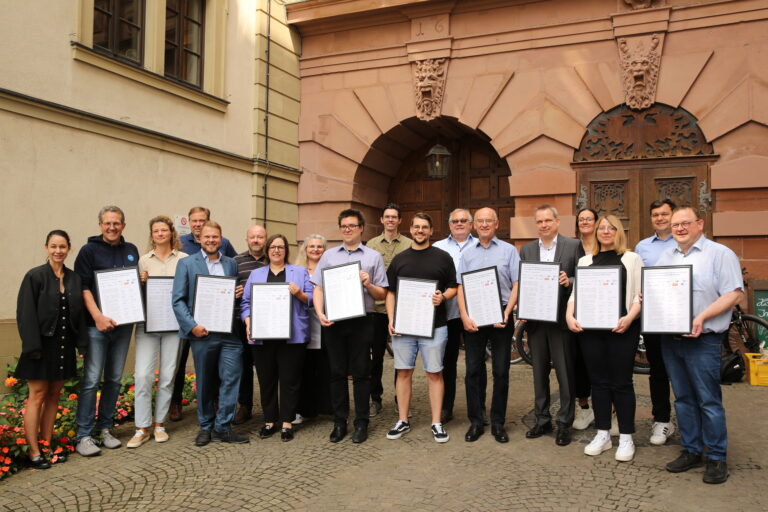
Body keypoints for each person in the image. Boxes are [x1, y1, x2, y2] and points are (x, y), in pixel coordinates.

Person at [657, 206, 743, 484]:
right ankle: (692, 449)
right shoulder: (666, 255)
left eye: (685, 223)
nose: (679, 229)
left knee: (708, 400)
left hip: (703, 340)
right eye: (675, 225)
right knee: (682, 398)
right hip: (671, 339)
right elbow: (656, 288)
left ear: (700, 224)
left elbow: (734, 293)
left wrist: (702, 316)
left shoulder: (720, 254)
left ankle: (717, 456)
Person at [566, 214, 643, 462]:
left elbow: (638, 296)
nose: (606, 231)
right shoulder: (586, 260)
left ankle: (627, 438)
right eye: (602, 228)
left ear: (618, 231)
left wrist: (630, 318)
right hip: (591, 331)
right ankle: (603, 434)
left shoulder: (632, 259)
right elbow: (575, 295)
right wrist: (570, 316)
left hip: (622, 328)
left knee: (621, 382)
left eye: (611, 228)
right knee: (598, 383)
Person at [313, 209, 388, 444]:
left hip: (362, 320)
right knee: (336, 373)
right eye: (343, 226)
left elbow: (382, 293)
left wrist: (368, 283)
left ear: (361, 228)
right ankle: (339, 421)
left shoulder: (373, 256)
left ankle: (361, 422)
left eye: (352, 226)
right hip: (335, 321)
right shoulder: (329, 256)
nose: (347, 229)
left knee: (361, 373)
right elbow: (318, 288)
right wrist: (320, 313)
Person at [15, 230, 89, 468]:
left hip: (64, 345)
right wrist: (32, 348)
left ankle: (47, 445)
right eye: (54, 246)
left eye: (63, 247)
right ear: (46, 247)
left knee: (54, 395)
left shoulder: (74, 278)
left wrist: (81, 344)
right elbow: (25, 315)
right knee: (36, 396)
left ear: (69, 249)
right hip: (39, 346)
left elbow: (79, 316)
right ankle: (34, 452)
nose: (58, 251)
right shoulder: (34, 276)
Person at [172, 221, 248, 446]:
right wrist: (192, 325)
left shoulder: (231, 264)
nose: (211, 240)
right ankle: (205, 426)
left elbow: (230, 295)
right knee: (205, 382)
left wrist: (237, 293)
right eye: (207, 237)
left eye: (215, 237)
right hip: (202, 333)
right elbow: (178, 300)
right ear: (200, 239)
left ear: (221, 239)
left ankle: (223, 426)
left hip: (229, 333)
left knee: (232, 378)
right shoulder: (186, 264)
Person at [385, 213, 457, 443]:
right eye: (416, 227)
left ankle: (436, 422)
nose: (420, 231)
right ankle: (403, 420)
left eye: (424, 227)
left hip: (435, 326)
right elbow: (391, 292)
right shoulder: (400, 259)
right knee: (403, 372)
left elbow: (454, 287)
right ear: (410, 229)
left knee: (434, 373)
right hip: (404, 327)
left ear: (431, 230)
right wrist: (390, 319)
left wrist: (442, 297)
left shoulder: (443, 257)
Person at [74, 206, 140, 457]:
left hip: (123, 327)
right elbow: (84, 287)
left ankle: (105, 429)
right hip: (97, 327)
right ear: (100, 225)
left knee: (113, 378)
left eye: (116, 223)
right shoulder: (88, 251)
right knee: (91, 380)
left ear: (123, 225)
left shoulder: (131, 250)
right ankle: (84, 435)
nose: (112, 227)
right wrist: (98, 317)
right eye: (107, 223)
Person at [520, 205, 584, 446]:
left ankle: (564, 423)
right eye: (539, 221)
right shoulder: (526, 249)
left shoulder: (573, 245)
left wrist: (570, 280)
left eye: (548, 220)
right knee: (538, 374)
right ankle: (542, 419)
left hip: (561, 322)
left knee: (565, 373)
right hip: (536, 322)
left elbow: (583, 277)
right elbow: (525, 282)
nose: (544, 225)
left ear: (557, 222)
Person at [241, 234, 313, 442]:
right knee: (267, 380)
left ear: (286, 251)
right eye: (273, 247)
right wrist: (248, 321)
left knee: (290, 380)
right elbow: (245, 303)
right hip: (263, 335)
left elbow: (311, 300)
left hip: (292, 336)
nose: (276, 251)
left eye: (280, 247)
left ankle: (287, 422)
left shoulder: (299, 272)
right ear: (267, 250)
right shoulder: (256, 274)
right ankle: (270, 420)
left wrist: (299, 293)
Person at [457, 207, 519, 444]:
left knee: (501, 371)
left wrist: (506, 312)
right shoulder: (467, 254)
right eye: (480, 221)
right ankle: (476, 421)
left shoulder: (509, 251)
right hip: (474, 317)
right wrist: (464, 315)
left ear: (496, 224)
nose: (484, 225)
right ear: (474, 225)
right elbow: (461, 286)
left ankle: (497, 422)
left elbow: (517, 283)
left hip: (500, 316)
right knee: (473, 370)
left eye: (488, 221)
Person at [127, 216, 188, 449]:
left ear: (172, 233)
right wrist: (140, 283)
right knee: (142, 375)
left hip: (173, 325)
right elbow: (134, 294)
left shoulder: (184, 260)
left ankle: (159, 424)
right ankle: (141, 427)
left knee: (167, 375)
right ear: (151, 235)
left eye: (164, 230)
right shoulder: (143, 261)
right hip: (148, 324)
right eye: (156, 231)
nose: (160, 234)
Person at [433, 208, 486, 425]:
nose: (460, 223)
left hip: (476, 314)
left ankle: (479, 407)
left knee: (477, 364)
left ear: (471, 224)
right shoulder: (438, 248)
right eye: (455, 221)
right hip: (449, 314)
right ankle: (446, 407)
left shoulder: (481, 244)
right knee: (448, 362)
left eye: (464, 220)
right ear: (449, 224)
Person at [634, 199, 678, 445]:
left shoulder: (684, 242)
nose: (660, 218)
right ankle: (661, 420)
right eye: (655, 215)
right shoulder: (642, 247)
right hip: (653, 318)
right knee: (658, 371)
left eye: (664, 214)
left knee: (683, 370)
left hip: (681, 318)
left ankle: (689, 418)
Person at [365, 203, 412, 417]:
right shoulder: (371, 245)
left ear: (400, 221)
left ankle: (399, 399)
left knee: (402, 357)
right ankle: (375, 398)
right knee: (375, 358)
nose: (391, 220)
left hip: (402, 308)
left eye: (394, 217)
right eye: (387, 217)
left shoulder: (410, 244)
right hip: (376, 309)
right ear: (382, 220)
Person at [294, 234, 332, 421]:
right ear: (305, 249)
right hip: (302, 325)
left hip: (324, 325)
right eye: (312, 246)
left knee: (325, 368)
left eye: (320, 247)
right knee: (303, 369)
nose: (315, 250)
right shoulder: (296, 270)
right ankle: (303, 409)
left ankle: (326, 407)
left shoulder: (330, 269)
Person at [233, 224, 268, 425]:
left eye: (260, 237)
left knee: (266, 366)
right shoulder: (235, 261)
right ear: (247, 239)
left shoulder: (272, 259)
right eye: (252, 237)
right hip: (242, 321)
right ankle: (245, 405)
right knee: (244, 365)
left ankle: (269, 407)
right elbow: (226, 287)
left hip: (268, 321)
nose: (256, 240)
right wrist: (233, 291)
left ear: (265, 239)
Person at [572, 207, 598, 431]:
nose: (585, 222)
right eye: (581, 219)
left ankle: (608, 409)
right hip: (578, 313)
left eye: (589, 219)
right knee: (579, 362)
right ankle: (583, 406)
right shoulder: (573, 247)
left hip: (601, 312)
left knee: (599, 363)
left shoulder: (605, 244)